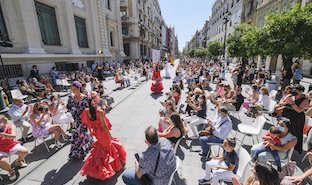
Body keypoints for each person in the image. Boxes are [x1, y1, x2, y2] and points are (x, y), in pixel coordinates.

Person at [80, 91, 126, 180]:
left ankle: (98, 167)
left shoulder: (86, 111)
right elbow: (104, 126)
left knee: (101, 148)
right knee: (108, 148)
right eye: (97, 98)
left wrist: (91, 132)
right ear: (96, 100)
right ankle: (107, 168)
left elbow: (89, 123)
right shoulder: (99, 111)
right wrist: (110, 136)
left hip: (96, 133)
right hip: (103, 133)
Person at [66, 81, 93, 159]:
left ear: (78, 88)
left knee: (77, 135)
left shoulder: (85, 98)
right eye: (72, 89)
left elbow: (89, 108)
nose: (73, 91)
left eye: (74, 89)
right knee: (81, 135)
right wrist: (70, 112)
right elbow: (68, 107)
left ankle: (78, 152)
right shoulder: (71, 98)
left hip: (83, 120)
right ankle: (88, 143)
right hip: (75, 119)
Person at [282, 84, 310, 153]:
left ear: (301, 92)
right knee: (285, 131)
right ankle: (284, 146)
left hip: (297, 119)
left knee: (295, 133)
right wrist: (286, 98)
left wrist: (292, 103)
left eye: (297, 91)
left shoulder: (305, 100)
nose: (295, 92)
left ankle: (292, 149)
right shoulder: (292, 96)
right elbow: (282, 103)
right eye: (294, 90)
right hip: (288, 117)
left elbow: (299, 110)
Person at [0, 115, 28, 180]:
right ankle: (10, 171)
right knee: (3, 161)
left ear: (4, 121)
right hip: (1, 149)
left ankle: (18, 161)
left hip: (11, 145)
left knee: (25, 152)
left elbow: (13, 136)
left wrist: (4, 135)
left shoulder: (11, 126)